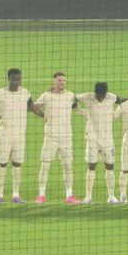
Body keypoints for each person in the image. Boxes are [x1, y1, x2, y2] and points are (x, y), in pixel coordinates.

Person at [0, 68, 39, 203]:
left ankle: (16, 195)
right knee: (2, 164)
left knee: (17, 164)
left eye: (18, 79)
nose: (16, 82)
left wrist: (46, 116)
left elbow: (32, 107)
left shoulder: (25, 92)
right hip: (4, 135)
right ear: (8, 79)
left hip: (20, 135)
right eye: (14, 79)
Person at [34, 72, 79, 204]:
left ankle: (69, 195)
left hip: (66, 137)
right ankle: (41, 194)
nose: (62, 82)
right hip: (51, 136)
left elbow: (77, 109)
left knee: (68, 166)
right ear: (54, 81)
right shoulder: (46, 95)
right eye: (59, 80)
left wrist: (89, 115)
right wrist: (44, 115)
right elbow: (34, 106)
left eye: (64, 80)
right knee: (45, 165)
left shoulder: (71, 96)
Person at [77, 81, 120, 203]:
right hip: (92, 139)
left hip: (108, 140)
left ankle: (111, 196)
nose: (100, 98)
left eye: (102, 95)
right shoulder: (87, 97)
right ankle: (88, 196)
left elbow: (121, 100)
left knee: (110, 166)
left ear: (106, 93)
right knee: (91, 166)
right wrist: (79, 110)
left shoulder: (111, 97)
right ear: (95, 92)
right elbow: (73, 99)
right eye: (98, 95)